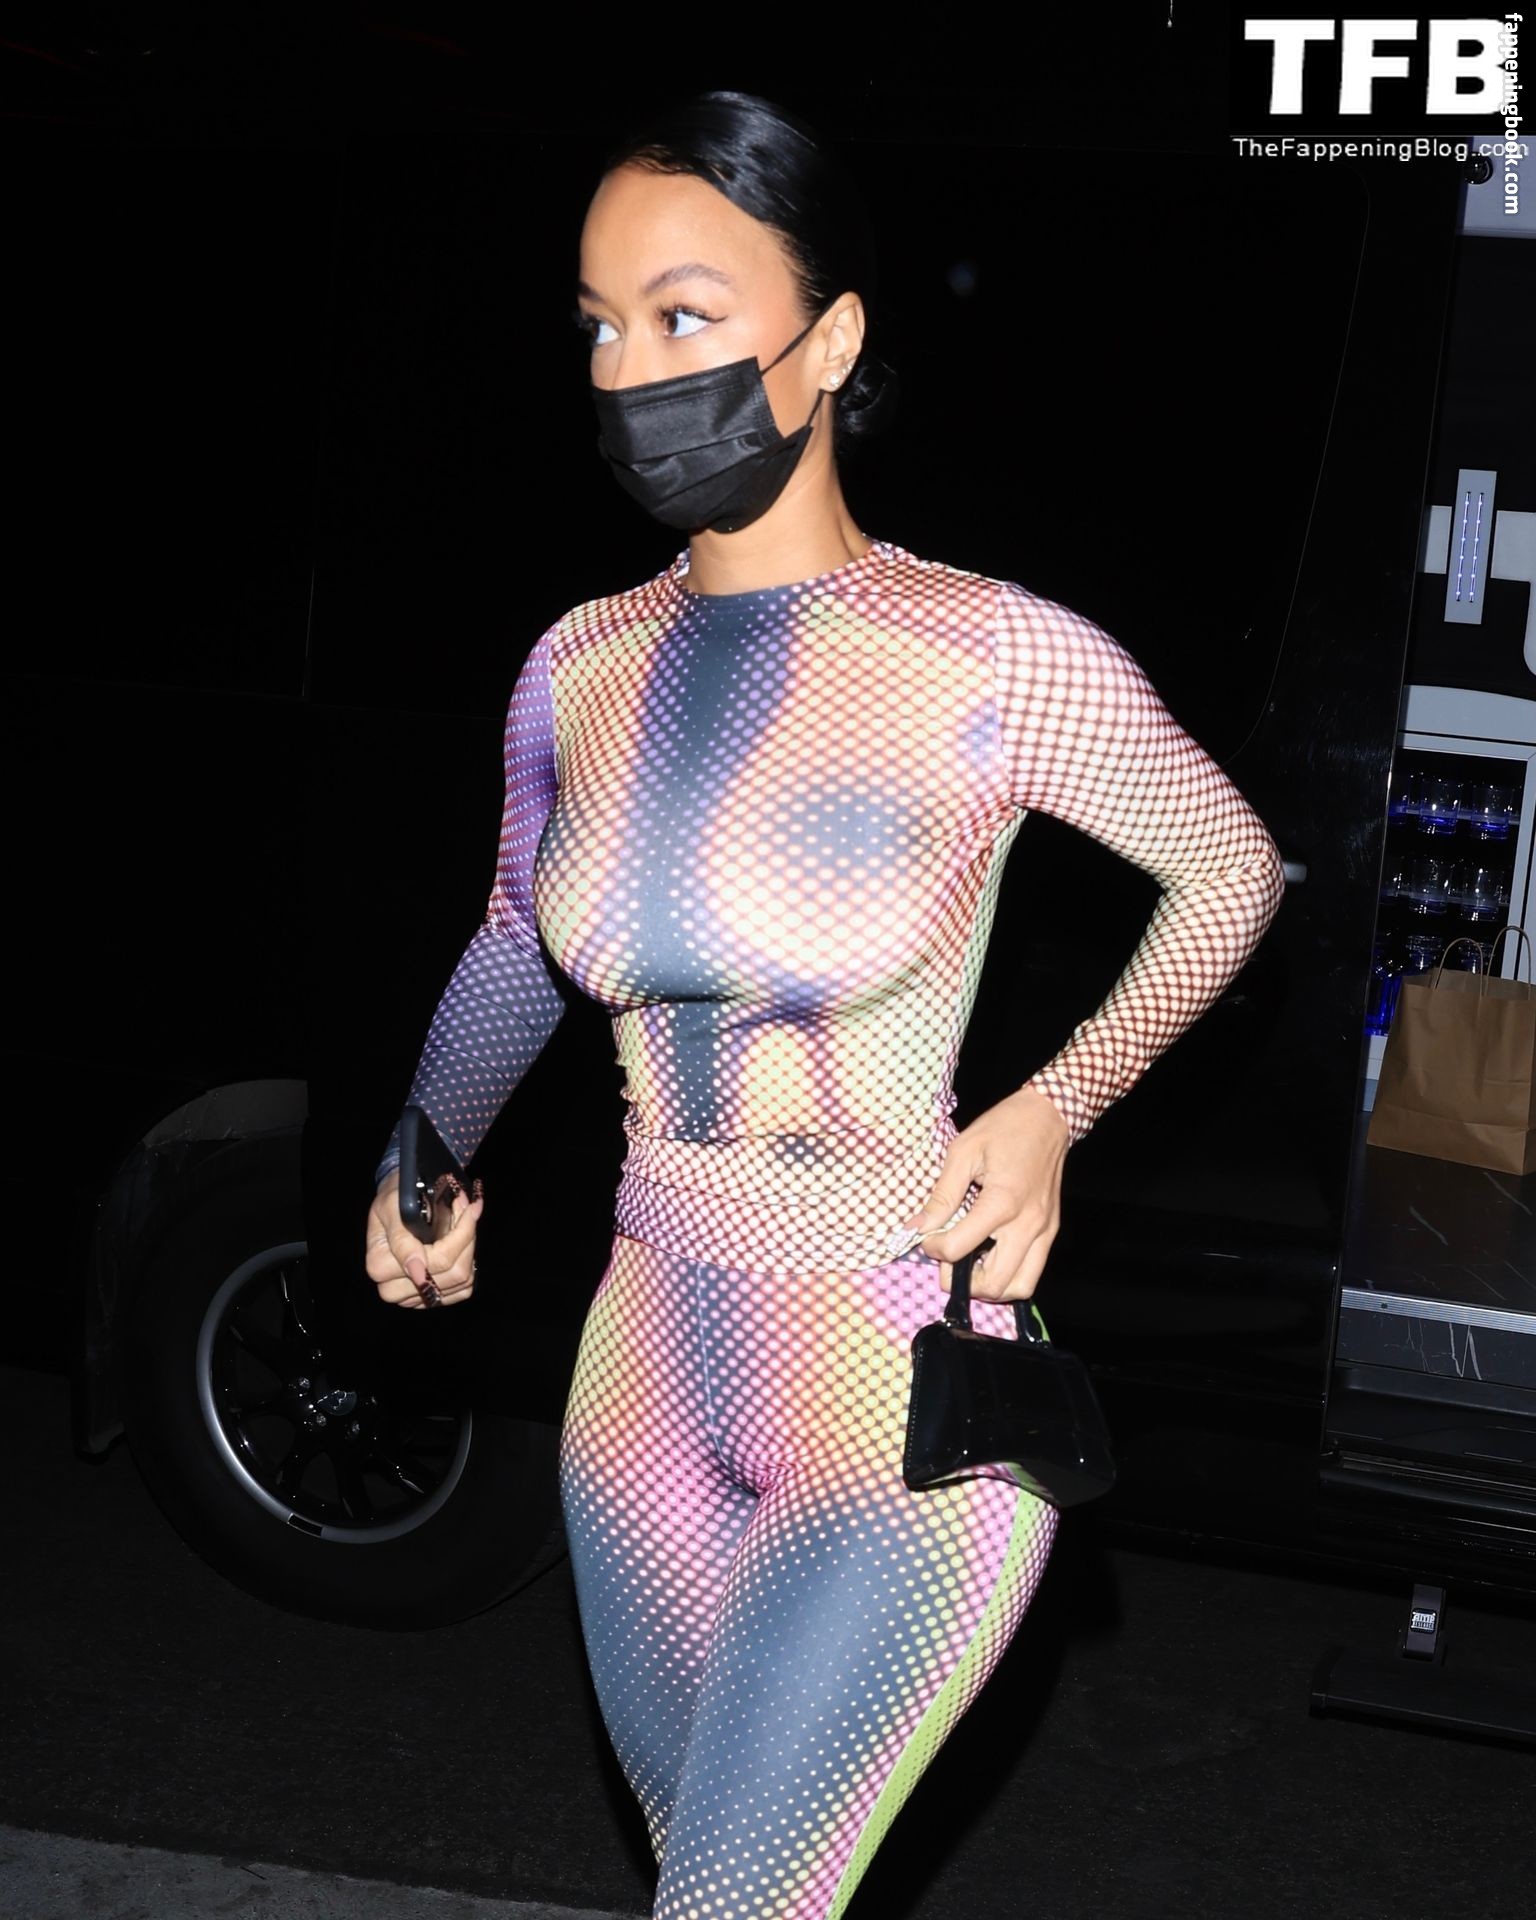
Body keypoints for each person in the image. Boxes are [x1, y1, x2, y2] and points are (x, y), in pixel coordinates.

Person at [363, 88, 1287, 1920]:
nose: (635, 373)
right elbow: (513, 943)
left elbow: (1233, 871)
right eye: (601, 327)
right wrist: (422, 1159)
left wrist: (1056, 1103)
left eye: (686, 316)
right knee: (721, 1884)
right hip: (641, 1375)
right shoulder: (577, 668)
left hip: (891, 1374)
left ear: (832, 340)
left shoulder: (990, 654)